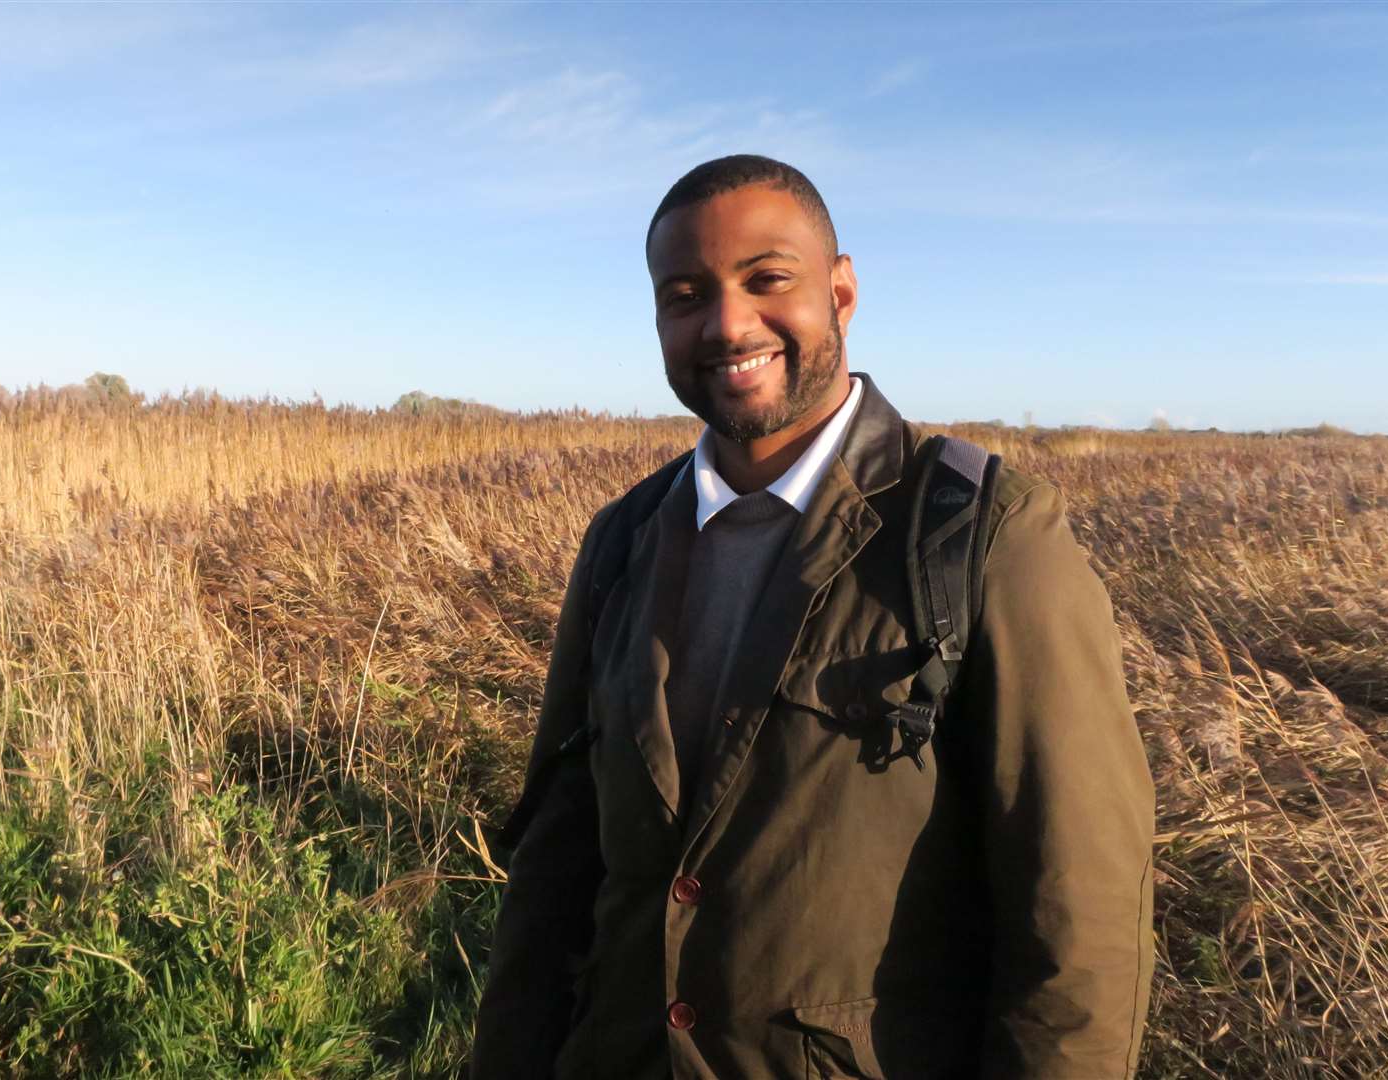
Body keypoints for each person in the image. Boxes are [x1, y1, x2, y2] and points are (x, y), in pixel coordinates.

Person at [472, 155, 1154, 1079]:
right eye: (684, 295)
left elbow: (1080, 905)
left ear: (841, 290)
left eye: (767, 280)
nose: (726, 323)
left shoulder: (985, 534)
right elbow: (558, 860)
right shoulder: (624, 540)